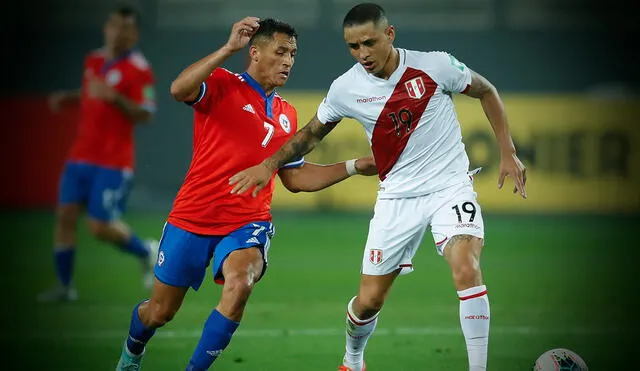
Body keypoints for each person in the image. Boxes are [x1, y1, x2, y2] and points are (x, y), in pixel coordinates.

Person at [228, 3, 528, 371]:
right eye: (353, 47)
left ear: (390, 34)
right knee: (368, 302)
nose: (362, 54)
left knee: (466, 266)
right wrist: (269, 165)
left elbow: (486, 91)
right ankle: (353, 360)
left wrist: (508, 151)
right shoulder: (346, 87)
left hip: (450, 187)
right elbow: (309, 135)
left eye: (369, 43)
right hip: (397, 198)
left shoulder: (435, 65)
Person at [115, 17, 376, 370]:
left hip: (246, 222)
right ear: (254, 52)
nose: (288, 61)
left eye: (293, 54)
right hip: (192, 217)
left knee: (241, 283)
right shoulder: (222, 83)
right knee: (159, 312)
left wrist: (354, 166)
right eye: (280, 51)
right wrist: (226, 49)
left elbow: (296, 178)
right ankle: (132, 353)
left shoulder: (286, 113)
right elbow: (178, 89)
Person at [38, 5, 158, 302]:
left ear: (135, 34)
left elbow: (146, 112)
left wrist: (115, 98)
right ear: (107, 28)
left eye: (126, 28)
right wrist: (70, 97)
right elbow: (91, 94)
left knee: (99, 226)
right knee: (65, 215)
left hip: (113, 160)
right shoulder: (93, 59)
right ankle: (65, 286)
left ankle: (146, 251)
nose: (119, 32)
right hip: (80, 154)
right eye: (114, 26)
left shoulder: (139, 69)